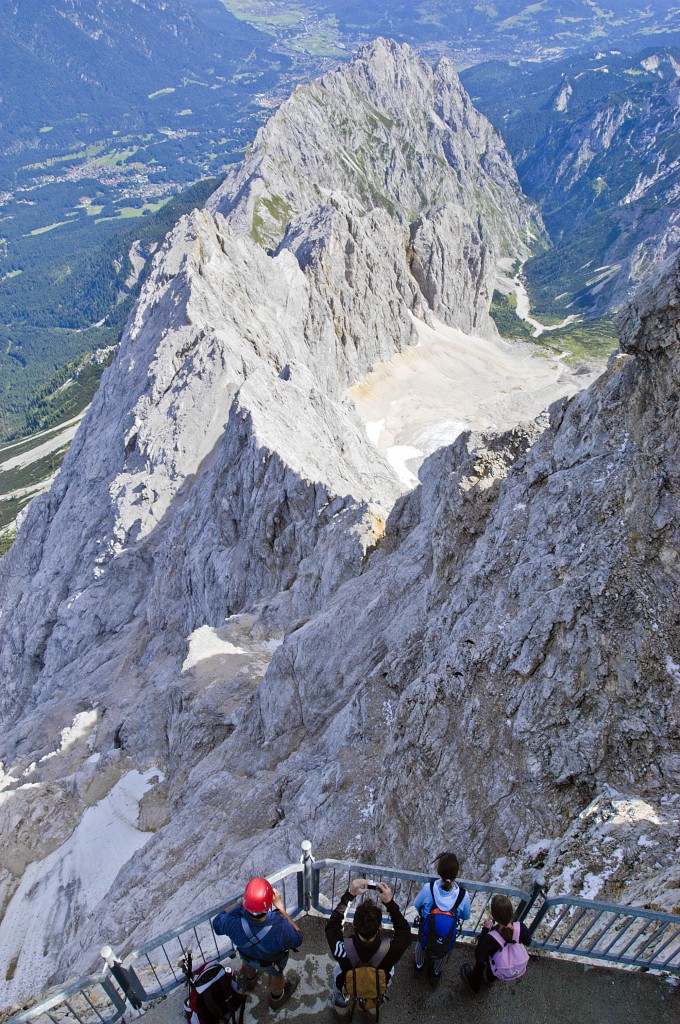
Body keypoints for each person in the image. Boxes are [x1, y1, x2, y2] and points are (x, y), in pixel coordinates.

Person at [212, 876, 303, 1010]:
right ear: (269, 902)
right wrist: (280, 908)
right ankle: (276, 998)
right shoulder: (281, 927)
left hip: (247, 955)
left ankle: (250, 982)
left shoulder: (233, 921)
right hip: (271, 962)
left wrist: (238, 904)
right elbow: (298, 939)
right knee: (276, 974)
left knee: (248, 962)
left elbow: (217, 923)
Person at [325, 878, 411, 1012]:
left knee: (338, 969)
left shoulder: (342, 949)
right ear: (380, 926)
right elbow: (404, 931)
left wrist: (349, 895)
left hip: (349, 978)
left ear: (354, 924)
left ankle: (339, 998)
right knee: (391, 969)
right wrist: (389, 903)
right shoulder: (391, 951)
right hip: (377, 979)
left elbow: (332, 926)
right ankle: (374, 999)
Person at [413, 851, 471, 975]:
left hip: (427, 931)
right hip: (446, 936)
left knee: (421, 945)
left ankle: (419, 965)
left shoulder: (428, 888)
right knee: (442, 952)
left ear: (439, 872)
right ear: (457, 873)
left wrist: (424, 915)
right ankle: (436, 972)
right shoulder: (462, 896)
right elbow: (466, 916)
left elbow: (417, 904)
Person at [460, 894, 531, 993]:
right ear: (511, 912)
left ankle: (475, 983)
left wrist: (485, 929)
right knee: (493, 968)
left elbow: (479, 956)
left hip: (493, 963)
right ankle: (492, 978)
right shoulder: (521, 927)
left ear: (495, 917)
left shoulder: (492, 936)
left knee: (483, 965)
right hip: (510, 961)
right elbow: (528, 941)